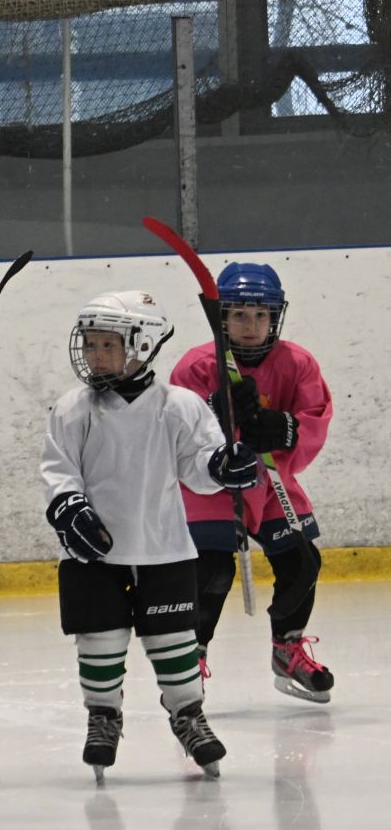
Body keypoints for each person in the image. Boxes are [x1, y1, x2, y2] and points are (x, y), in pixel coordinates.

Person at [41, 291, 259, 782]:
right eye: (90, 344)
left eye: (105, 345)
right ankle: (103, 716)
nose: (93, 355)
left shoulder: (178, 406)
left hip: (164, 548)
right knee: (99, 639)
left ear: (141, 345)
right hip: (91, 555)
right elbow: (58, 471)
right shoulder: (73, 408)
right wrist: (68, 509)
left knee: (175, 639)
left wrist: (224, 465)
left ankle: (188, 713)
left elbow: (200, 467)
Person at [169, 263, 335, 703]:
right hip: (213, 486)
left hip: (272, 476)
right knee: (212, 570)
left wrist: (282, 430)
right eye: (240, 314)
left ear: (275, 317)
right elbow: (177, 431)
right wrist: (218, 415)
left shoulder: (297, 363)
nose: (251, 325)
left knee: (303, 561)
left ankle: (288, 648)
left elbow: (314, 419)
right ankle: (190, 659)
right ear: (222, 317)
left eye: (261, 315)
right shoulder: (197, 366)